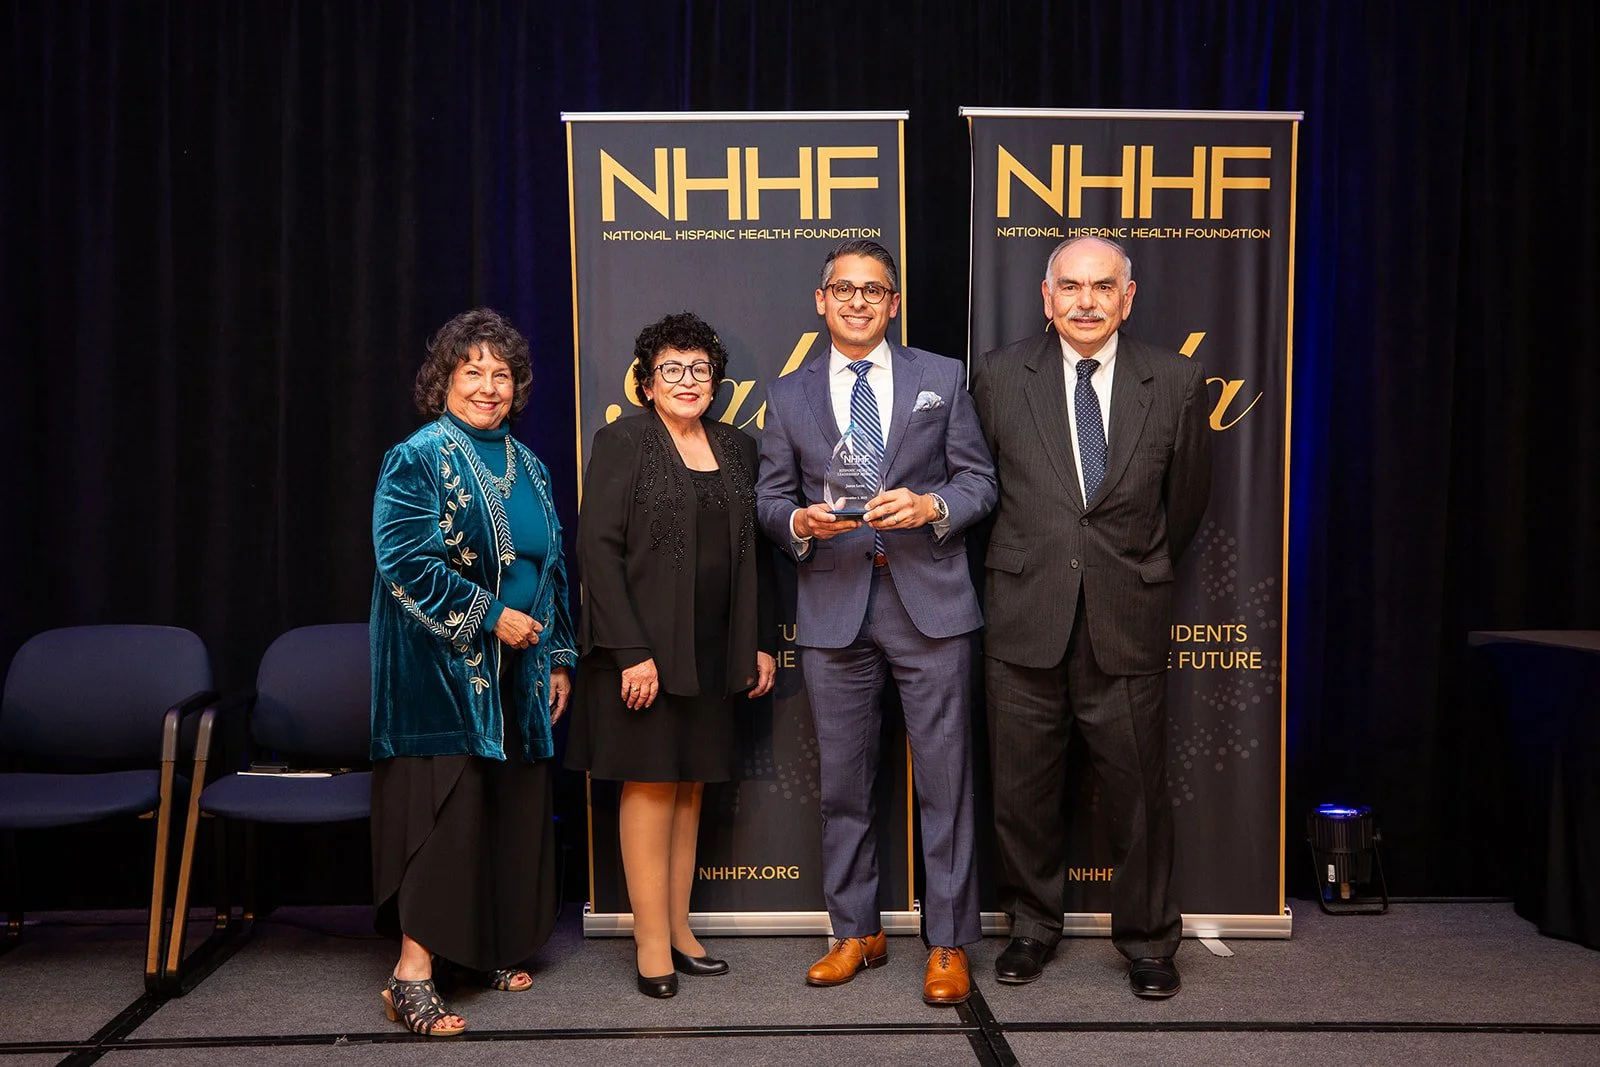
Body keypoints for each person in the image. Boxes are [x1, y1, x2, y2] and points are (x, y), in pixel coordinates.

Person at [755, 239, 996, 1006]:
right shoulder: (787, 395)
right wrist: (798, 520)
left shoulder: (941, 378)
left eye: (874, 290)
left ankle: (949, 941)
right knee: (844, 785)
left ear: (893, 303)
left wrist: (933, 506)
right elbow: (768, 502)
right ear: (822, 301)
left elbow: (980, 480)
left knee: (947, 782)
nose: (858, 302)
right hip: (834, 608)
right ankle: (854, 929)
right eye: (844, 289)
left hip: (931, 604)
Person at [970, 235, 1212, 999]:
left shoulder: (1174, 380)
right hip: (1024, 616)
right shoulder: (999, 377)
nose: (1084, 301)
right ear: (1046, 296)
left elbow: (1187, 504)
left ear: (1126, 297)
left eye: (1101, 287)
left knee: (1138, 793)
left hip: (1126, 617)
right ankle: (1032, 927)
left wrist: (1130, 568)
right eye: (1069, 286)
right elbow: (981, 493)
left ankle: (1147, 939)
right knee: (1021, 791)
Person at [368, 307, 576, 1035]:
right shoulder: (417, 456)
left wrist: (556, 655)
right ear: (444, 380)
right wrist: (490, 614)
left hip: (517, 674)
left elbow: (552, 569)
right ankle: (413, 974)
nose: (489, 386)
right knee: (448, 820)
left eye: (502, 373)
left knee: (504, 812)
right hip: (439, 676)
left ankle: (479, 946)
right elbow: (404, 563)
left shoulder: (532, 464)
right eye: (472, 372)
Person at [567, 311, 777, 999]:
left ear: (715, 380)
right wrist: (630, 649)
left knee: (690, 788)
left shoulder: (738, 447)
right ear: (647, 382)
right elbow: (597, 550)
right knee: (653, 784)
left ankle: (681, 928)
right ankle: (650, 940)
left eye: (700, 370)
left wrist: (759, 640)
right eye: (672, 370)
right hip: (644, 652)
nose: (689, 381)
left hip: (715, 651)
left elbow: (758, 555)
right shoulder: (623, 442)